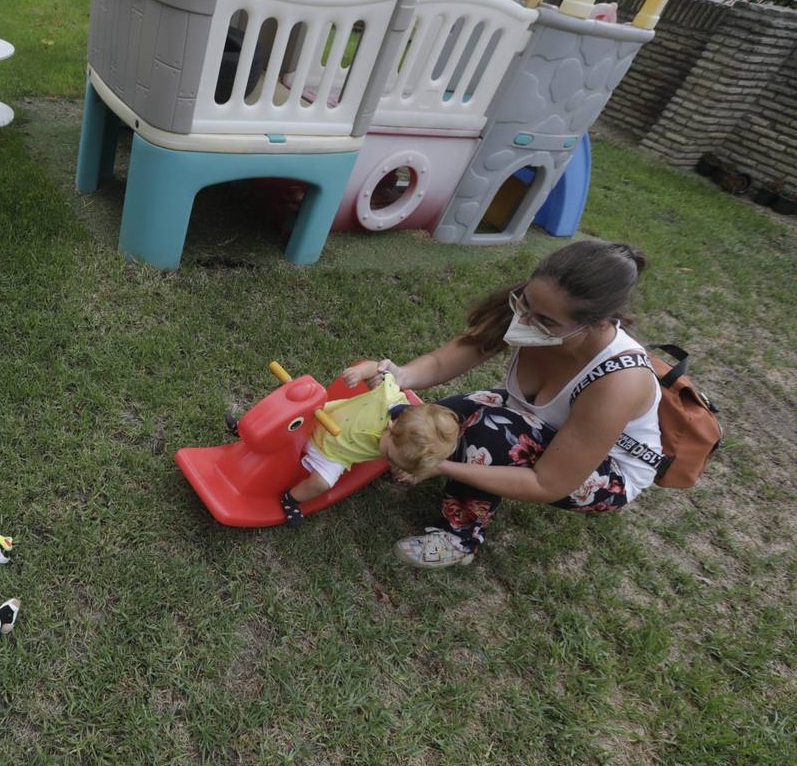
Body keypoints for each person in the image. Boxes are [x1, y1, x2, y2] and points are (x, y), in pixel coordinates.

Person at [345, 239, 662, 569]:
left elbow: (546, 483)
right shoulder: (538, 309)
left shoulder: (618, 383)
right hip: (534, 421)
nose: (523, 321)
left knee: (489, 435)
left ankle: (459, 538)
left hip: (604, 472)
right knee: (442, 416)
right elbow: (446, 361)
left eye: (543, 320)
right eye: (523, 302)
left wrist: (438, 465)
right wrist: (398, 376)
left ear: (595, 323)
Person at [267, 370, 460, 527]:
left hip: (333, 455)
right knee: (287, 421)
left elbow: (403, 456)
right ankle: (248, 429)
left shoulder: (402, 444)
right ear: (391, 428)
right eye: (390, 458)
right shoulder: (388, 396)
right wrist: (359, 372)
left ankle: (290, 499)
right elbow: (376, 369)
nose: (389, 463)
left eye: (396, 463)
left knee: (322, 483)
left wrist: (403, 467)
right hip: (320, 419)